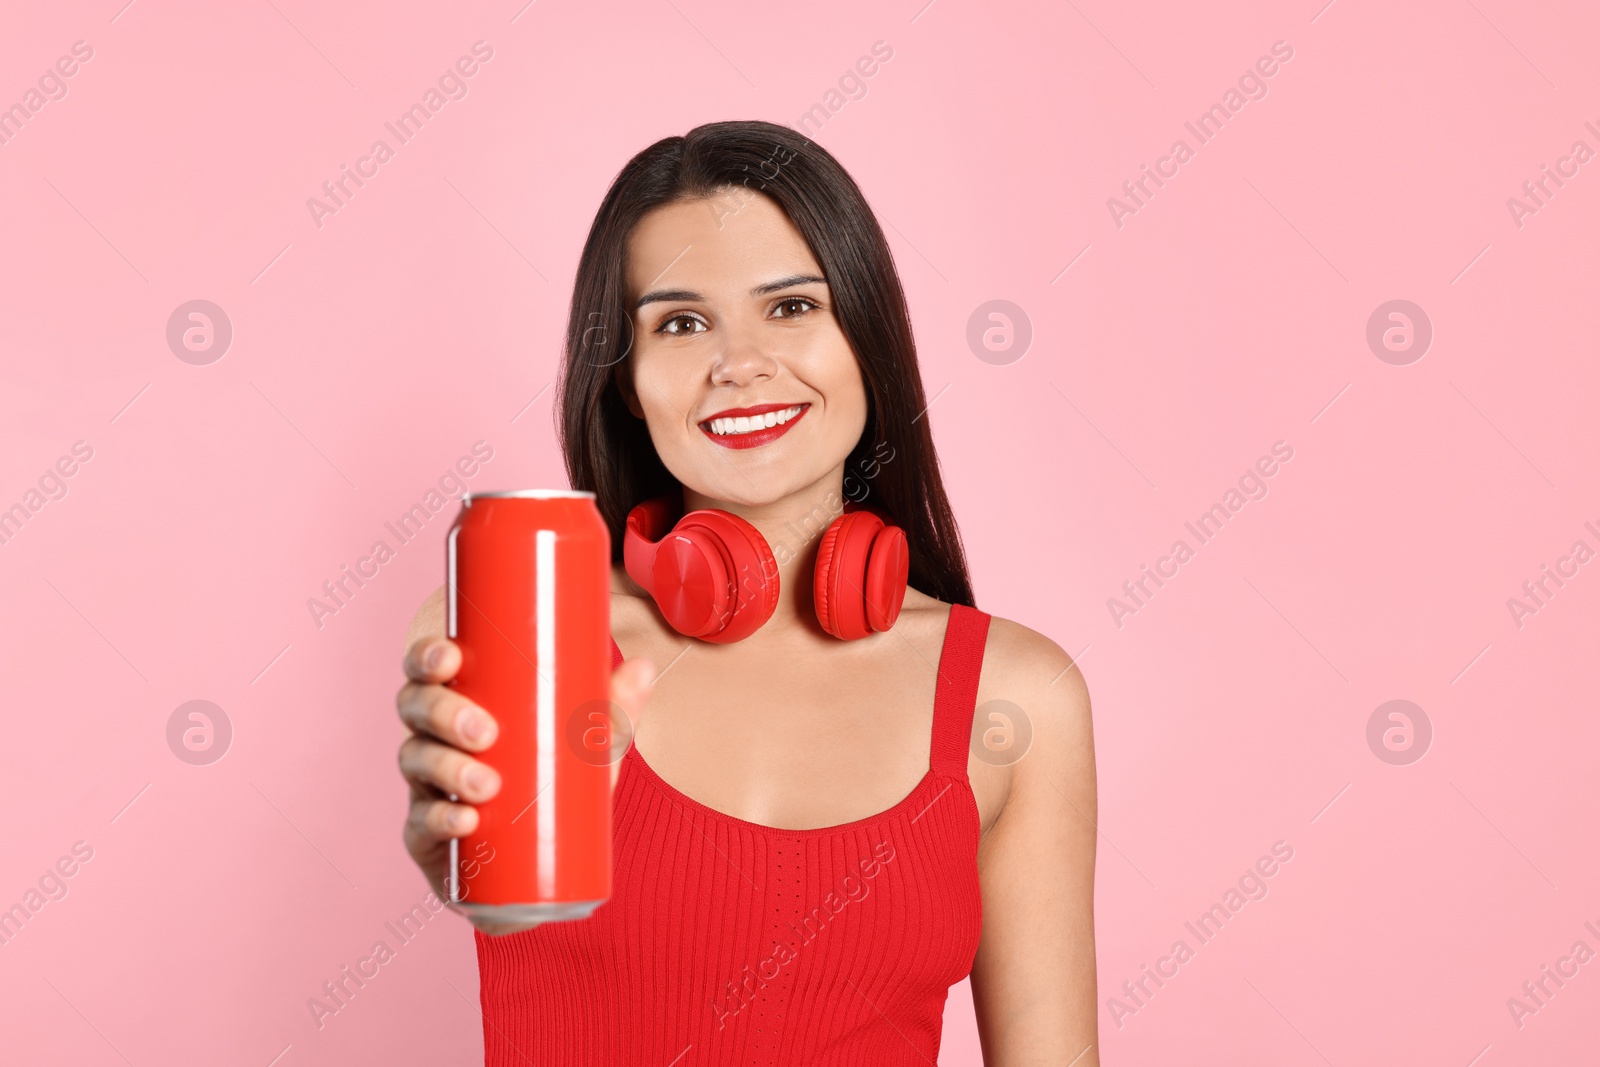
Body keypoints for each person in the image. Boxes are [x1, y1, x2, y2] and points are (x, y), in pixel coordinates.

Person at [395, 120, 1098, 1065]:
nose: (739, 362)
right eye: (680, 323)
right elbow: (495, 893)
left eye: (793, 306)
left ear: (868, 338)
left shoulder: (1018, 695)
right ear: (627, 382)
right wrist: (467, 860)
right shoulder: (528, 630)